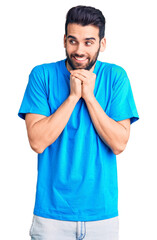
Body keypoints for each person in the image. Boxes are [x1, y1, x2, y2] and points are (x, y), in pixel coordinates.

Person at [18, 5, 139, 240]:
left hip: (102, 216)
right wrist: (73, 96)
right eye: (73, 41)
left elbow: (119, 144)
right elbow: (37, 141)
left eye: (88, 42)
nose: (79, 50)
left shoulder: (116, 77)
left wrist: (89, 97)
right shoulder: (42, 75)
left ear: (102, 44)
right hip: (51, 216)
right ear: (64, 40)